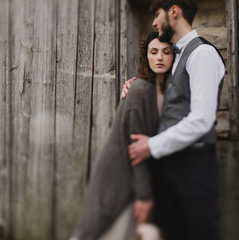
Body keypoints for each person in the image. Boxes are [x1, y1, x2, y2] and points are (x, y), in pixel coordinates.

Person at [123, 0, 226, 240]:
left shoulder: (202, 54)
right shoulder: (176, 55)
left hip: (193, 168)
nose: (154, 22)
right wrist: (134, 84)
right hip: (169, 167)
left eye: (157, 15)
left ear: (174, 11)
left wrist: (151, 145)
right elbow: (166, 88)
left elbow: (201, 120)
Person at [72, 32, 174, 240]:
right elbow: (135, 147)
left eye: (166, 52)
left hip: (143, 176)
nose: (160, 58)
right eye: (153, 52)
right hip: (120, 173)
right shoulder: (139, 89)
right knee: (102, 232)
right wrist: (144, 194)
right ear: (146, 56)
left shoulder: (173, 92)